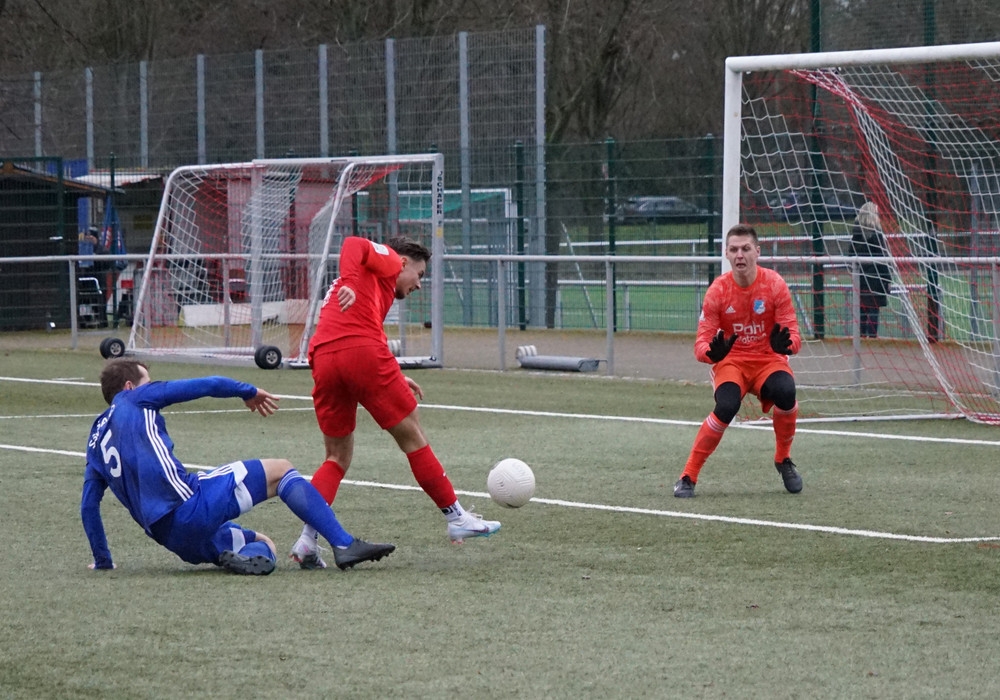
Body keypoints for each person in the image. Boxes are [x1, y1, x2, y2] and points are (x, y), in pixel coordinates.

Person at [289, 236, 500, 568]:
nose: (419, 283)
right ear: (403, 262)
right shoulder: (389, 260)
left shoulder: (375, 284)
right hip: (359, 351)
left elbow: (358, 329)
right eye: (420, 274)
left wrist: (396, 375)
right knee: (412, 433)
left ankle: (307, 541)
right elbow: (353, 243)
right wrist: (349, 282)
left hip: (324, 357)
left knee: (336, 457)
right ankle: (456, 517)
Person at [82, 358, 395, 574]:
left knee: (263, 543)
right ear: (129, 387)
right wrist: (248, 390)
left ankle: (245, 558)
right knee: (281, 470)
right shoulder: (136, 399)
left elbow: (88, 506)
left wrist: (103, 560)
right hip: (190, 505)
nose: (152, 386)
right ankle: (343, 543)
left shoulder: (95, 440)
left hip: (171, 538)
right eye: (147, 382)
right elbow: (208, 384)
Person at [674, 224, 803, 498]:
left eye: (745, 248)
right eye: (734, 249)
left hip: (768, 360)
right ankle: (688, 476)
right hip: (731, 362)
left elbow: (794, 337)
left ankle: (783, 459)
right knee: (727, 406)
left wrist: (786, 346)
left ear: (758, 252)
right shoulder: (718, 291)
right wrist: (713, 354)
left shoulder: (775, 284)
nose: (740, 255)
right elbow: (700, 344)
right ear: (726, 254)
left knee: (786, 391)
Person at [849, 202, 892, 339]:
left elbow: (850, 255)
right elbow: (882, 259)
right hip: (875, 279)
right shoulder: (877, 235)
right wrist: (887, 279)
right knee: (873, 308)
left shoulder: (856, 235)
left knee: (862, 308)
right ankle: (872, 337)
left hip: (860, 278)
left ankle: (861, 336)